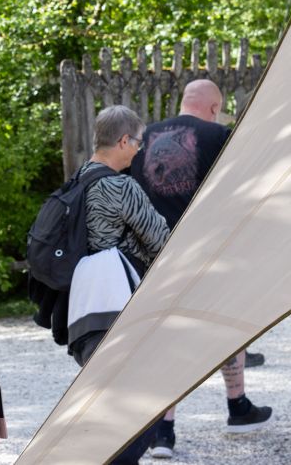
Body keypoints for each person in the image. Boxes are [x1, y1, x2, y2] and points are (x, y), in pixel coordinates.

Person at [130, 80, 272, 458]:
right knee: (224, 325)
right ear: (213, 108)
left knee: (163, 337)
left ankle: (163, 432)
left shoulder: (144, 138)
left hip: (155, 252)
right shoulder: (219, 135)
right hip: (209, 251)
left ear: (183, 102)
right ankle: (237, 408)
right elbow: (243, 190)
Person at [66, 105, 170, 464]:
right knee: (146, 406)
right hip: (121, 309)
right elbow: (161, 243)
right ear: (124, 141)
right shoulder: (120, 186)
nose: (139, 150)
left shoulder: (77, 181)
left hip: (85, 311)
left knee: (110, 406)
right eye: (138, 142)